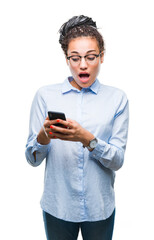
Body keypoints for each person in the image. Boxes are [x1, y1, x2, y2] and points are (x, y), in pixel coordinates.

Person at [25, 15, 129, 240]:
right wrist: (43, 137)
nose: (83, 65)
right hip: (58, 206)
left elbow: (118, 160)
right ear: (67, 59)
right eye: (75, 58)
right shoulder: (45, 96)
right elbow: (32, 159)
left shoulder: (117, 99)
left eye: (91, 57)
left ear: (102, 57)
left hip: (99, 207)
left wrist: (88, 139)